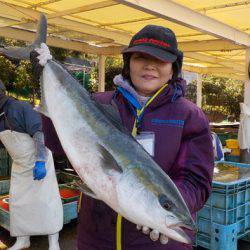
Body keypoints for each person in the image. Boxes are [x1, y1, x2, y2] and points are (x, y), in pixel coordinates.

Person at [32, 24, 214, 250]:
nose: (150, 66)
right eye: (140, 57)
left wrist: (161, 211)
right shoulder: (99, 102)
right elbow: (58, 146)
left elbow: (196, 180)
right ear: (128, 63)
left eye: (161, 60)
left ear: (173, 67)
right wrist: (45, 80)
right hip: (97, 238)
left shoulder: (189, 115)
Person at [0, 79, 63, 250]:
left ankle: (53, 242)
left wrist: (41, 160)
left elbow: (40, 133)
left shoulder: (20, 108)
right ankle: (22, 240)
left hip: (39, 160)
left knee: (46, 201)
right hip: (19, 165)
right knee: (18, 202)